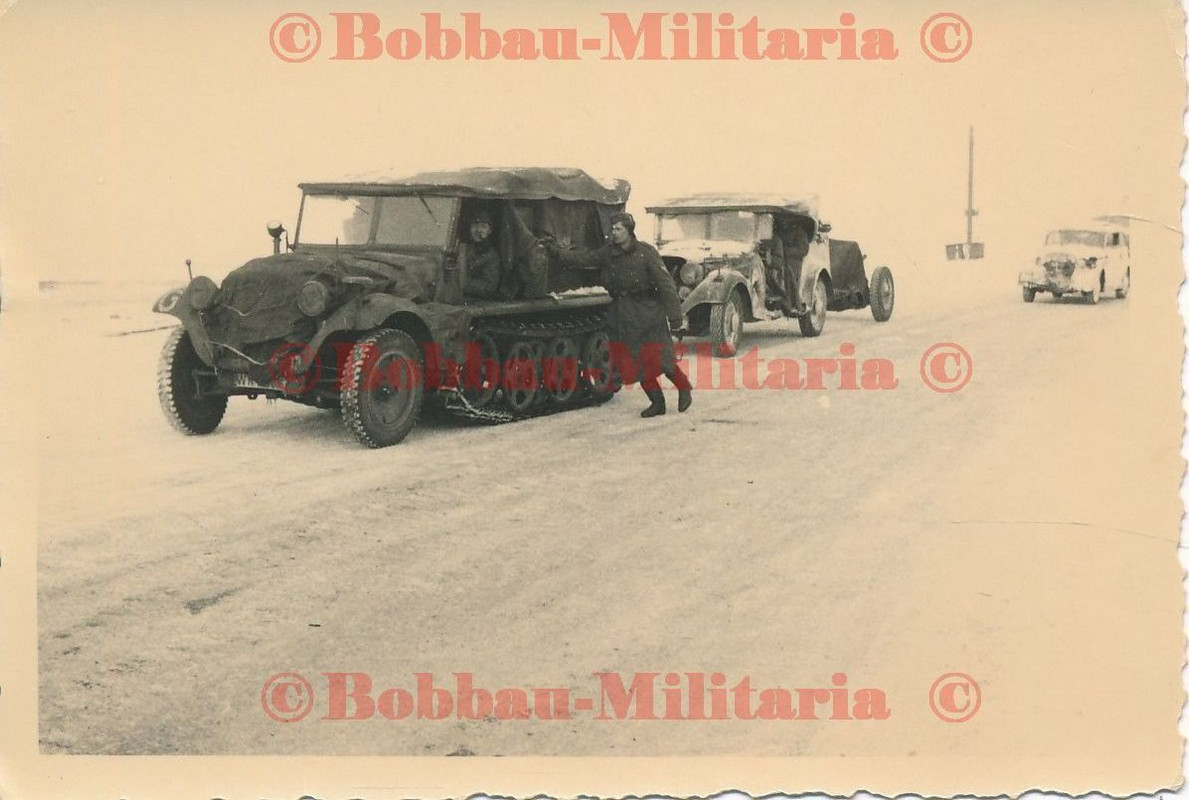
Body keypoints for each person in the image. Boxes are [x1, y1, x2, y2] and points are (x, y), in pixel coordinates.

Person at [552, 211, 692, 417]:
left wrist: (675, 316)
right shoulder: (609, 253)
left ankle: (684, 387)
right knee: (636, 361)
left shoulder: (646, 252)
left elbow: (666, 284)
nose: (614, 233)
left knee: (660, 358)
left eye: (618, 229)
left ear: (629, 231)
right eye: (612, 229)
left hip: (647, 312)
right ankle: (657, 402)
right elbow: (584, 258)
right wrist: (556, 252)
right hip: (623, 313)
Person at [463, 210, 502, 299]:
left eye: (483, 227)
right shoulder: (464, 249)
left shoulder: (491, 255)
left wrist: (463, 283)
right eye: (475, 225)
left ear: (489, 231)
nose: (478, 230)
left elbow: (489, 287)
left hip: (476, 301)